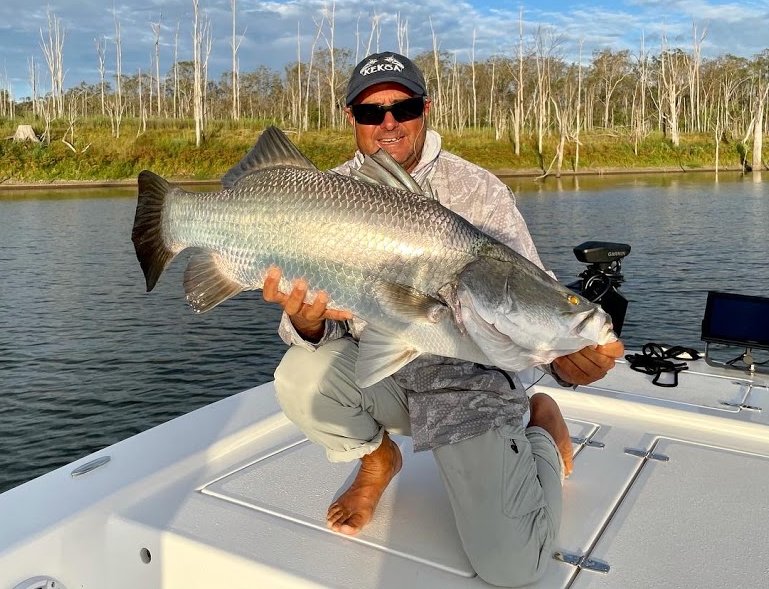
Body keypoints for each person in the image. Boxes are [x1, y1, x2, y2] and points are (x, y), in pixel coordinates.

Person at [263, 51, 624, 587]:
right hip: (384, 367)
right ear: (352, 120)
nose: (388, 123)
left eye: (402, 106)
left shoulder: (478, 191)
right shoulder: (323, 191)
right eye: (371, 112)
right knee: (301, 376)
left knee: (511, 566)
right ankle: (378, 460)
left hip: (468, 383)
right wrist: (309, 323)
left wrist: (565, 359)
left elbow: (526, 300)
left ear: (425, 108)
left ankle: (542, 427)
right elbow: (316, 332)